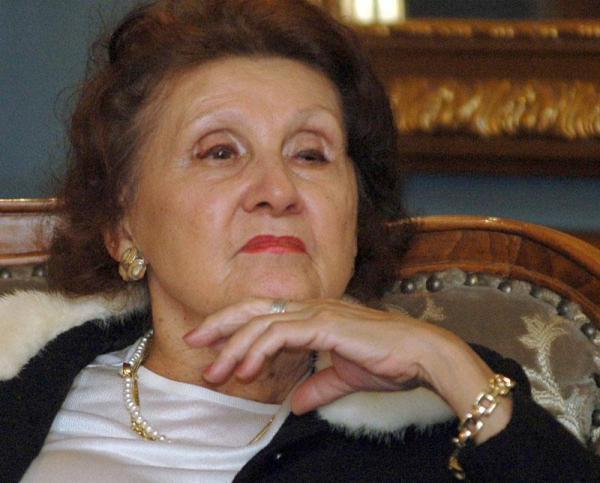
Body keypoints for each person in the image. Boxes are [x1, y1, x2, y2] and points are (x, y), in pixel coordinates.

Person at [1, 0, 598, 481]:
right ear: (122, 224)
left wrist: (446, 365)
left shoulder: (450, 412)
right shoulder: (22, 385)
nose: (277, 191)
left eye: (310, 154)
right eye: (220, 152)